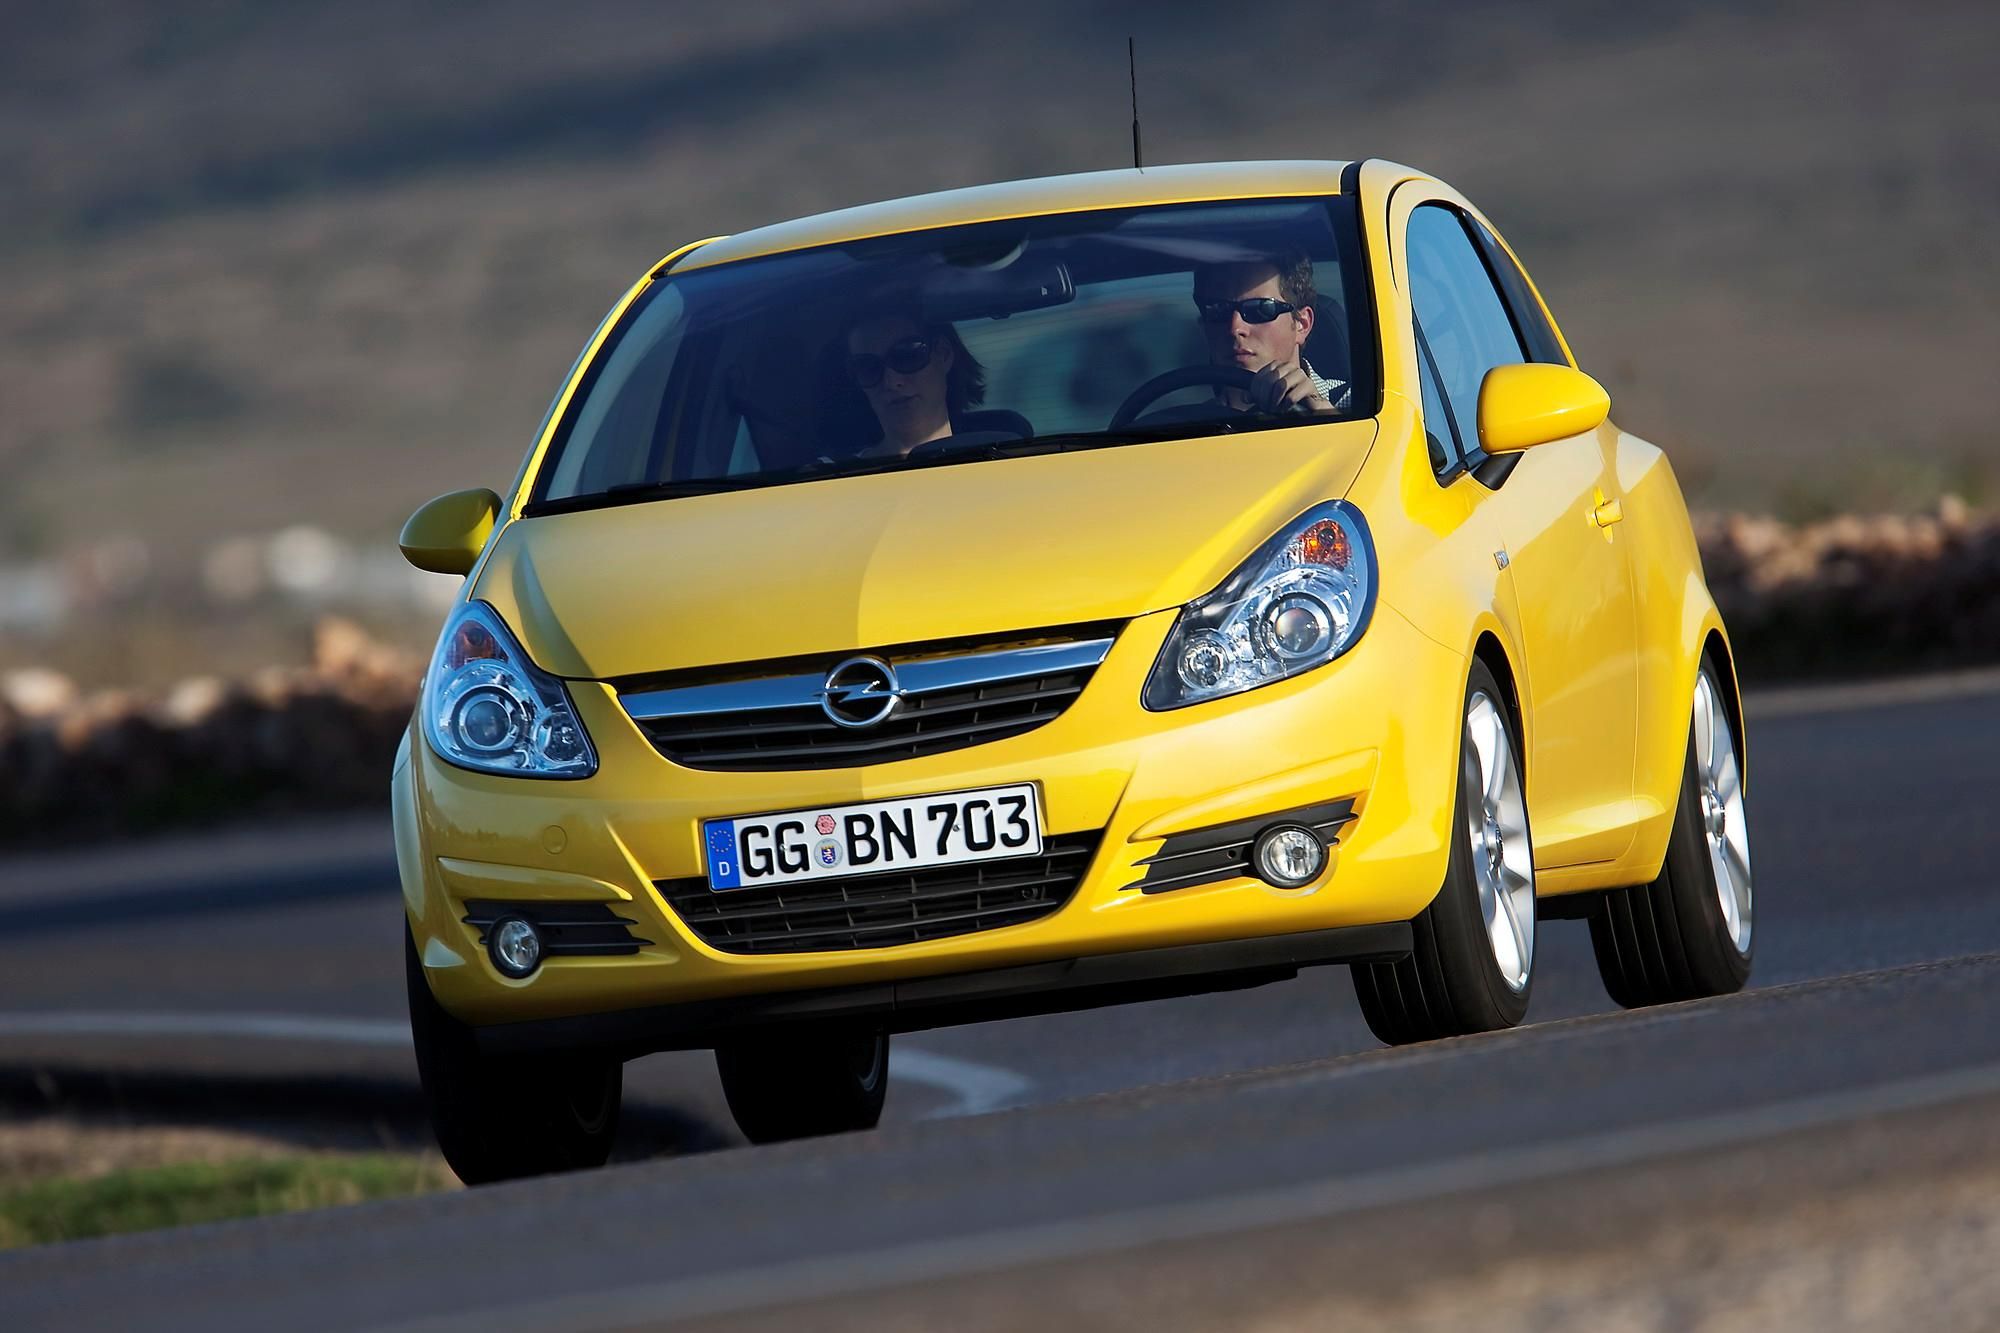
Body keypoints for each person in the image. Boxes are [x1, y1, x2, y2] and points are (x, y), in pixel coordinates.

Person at [1191, 250, 1350, 415]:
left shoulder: (1360, 405)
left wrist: (1326, 416)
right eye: (1218, 310)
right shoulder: (1184, 427)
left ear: (1302, 324)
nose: (1235, 328)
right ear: (1204, 328)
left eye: (1259, 309)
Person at [839, 310, 988, 457]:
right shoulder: (833, 479)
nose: (892, 381)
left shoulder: (1003, 467)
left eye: (907, 356)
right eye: (868, 368)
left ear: (944, 354)